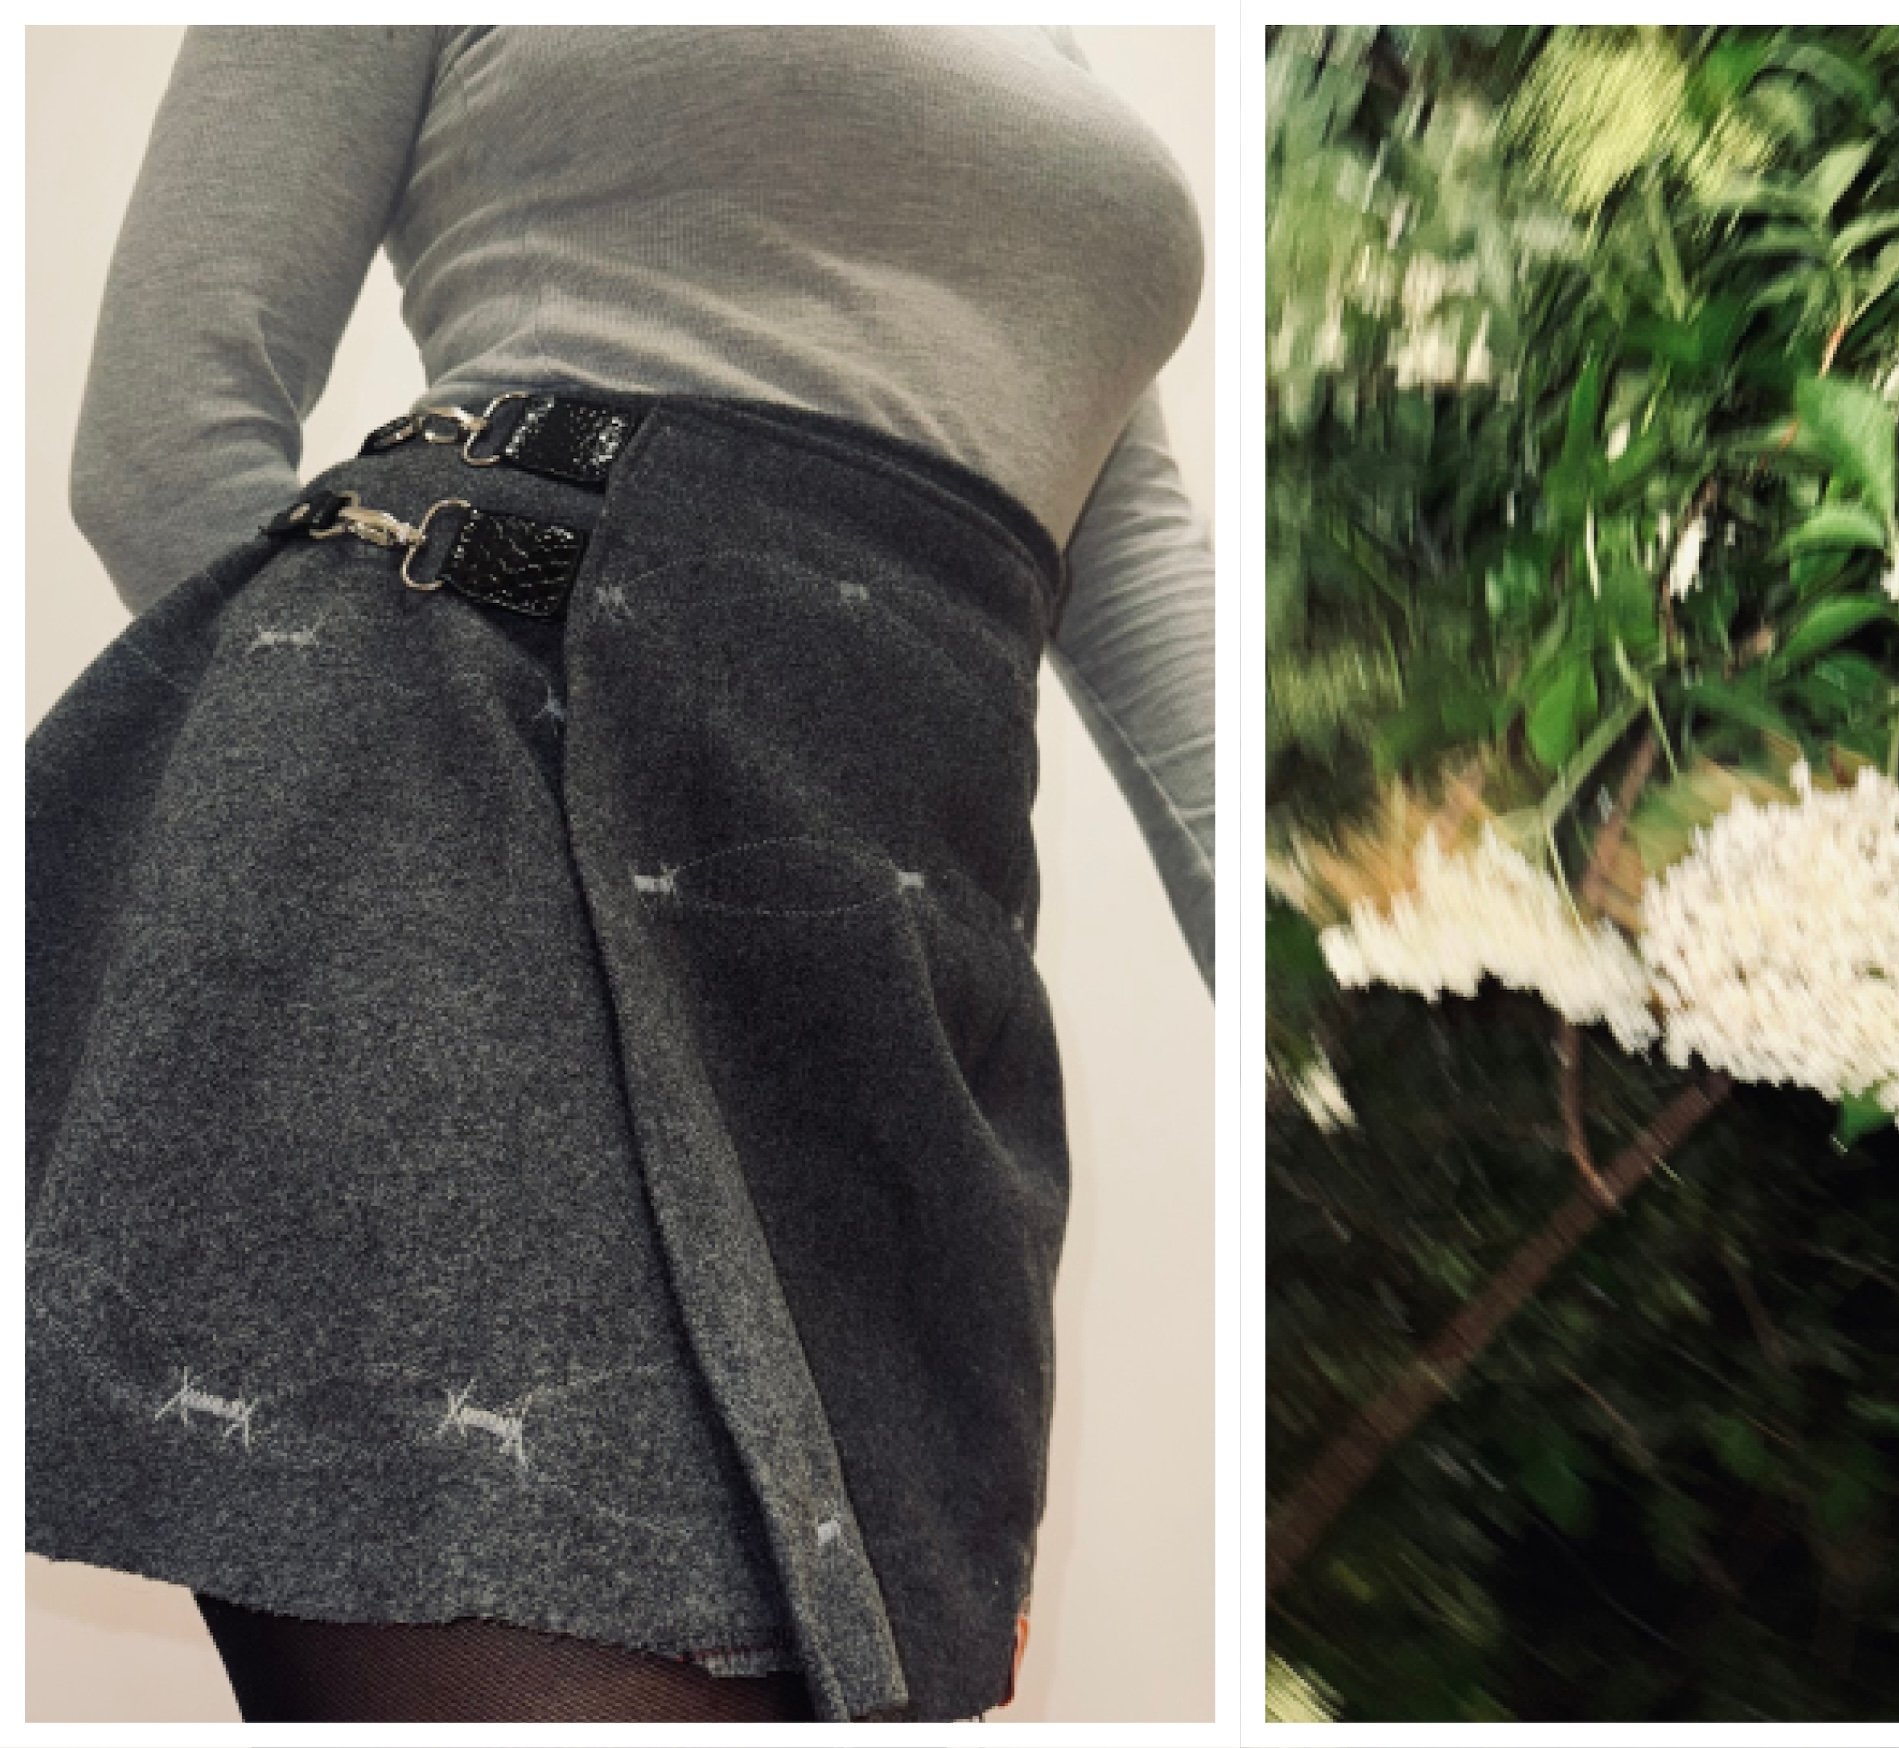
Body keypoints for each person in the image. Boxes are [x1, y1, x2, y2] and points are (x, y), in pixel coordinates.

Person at [26, 25, 1213, 1724]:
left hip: (880, 971)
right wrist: (343, 798)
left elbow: (1134, 538)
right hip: (471, 854)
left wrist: (1290, 968)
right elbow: (161, 430)